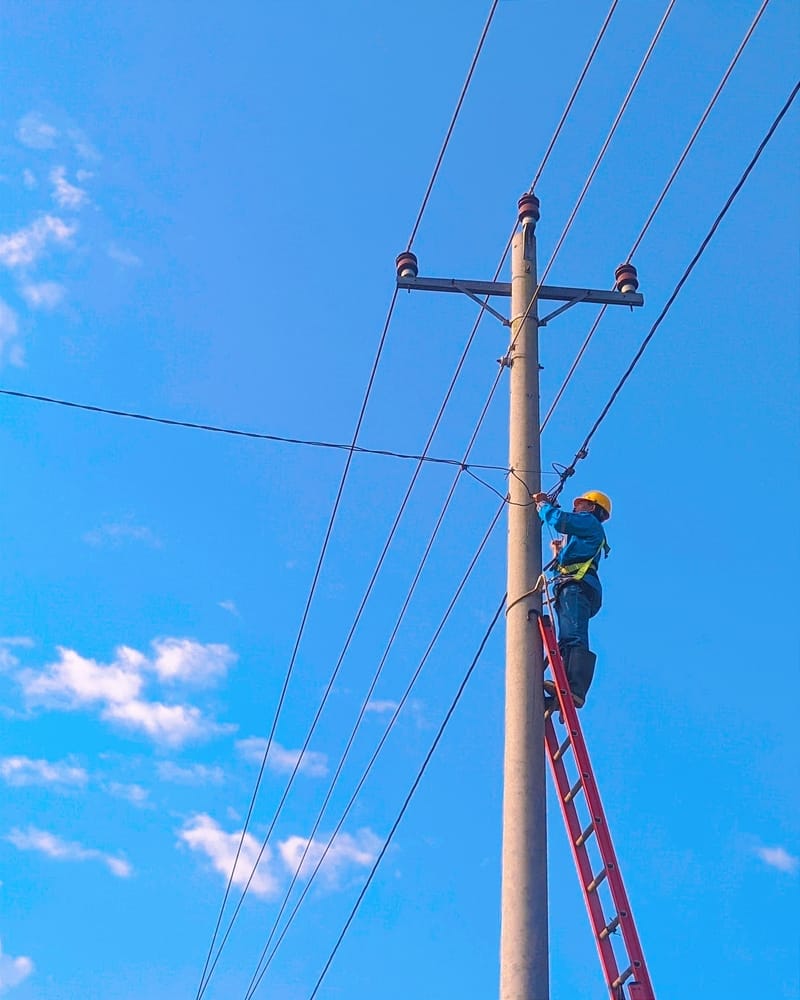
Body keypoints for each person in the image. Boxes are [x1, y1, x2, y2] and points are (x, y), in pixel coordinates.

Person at [531, 489, 612, 707]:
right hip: (572, 585)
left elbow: (561, 521)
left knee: (573, 636)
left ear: (592, 508)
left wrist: (543, 506)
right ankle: (564, 689)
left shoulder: (589, 522)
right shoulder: (585, 532)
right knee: (567, 637)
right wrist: (558, 553)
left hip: (577, 586)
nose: (576, 507)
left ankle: (575, 687)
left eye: (580, 504)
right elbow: (568, 556)